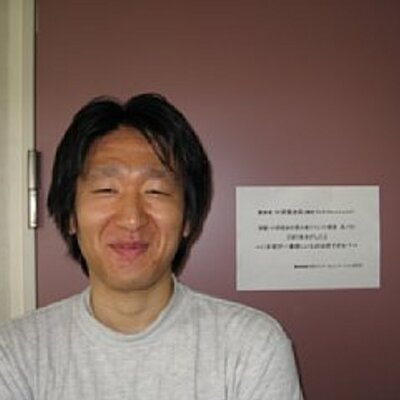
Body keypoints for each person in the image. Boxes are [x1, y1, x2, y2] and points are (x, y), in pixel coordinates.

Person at [0, 93, 303, 399]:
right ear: (70, 216)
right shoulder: (15, 352)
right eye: (106, 189)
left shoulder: (252, 346)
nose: (132, 219)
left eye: (156, 191)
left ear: (187, 219)